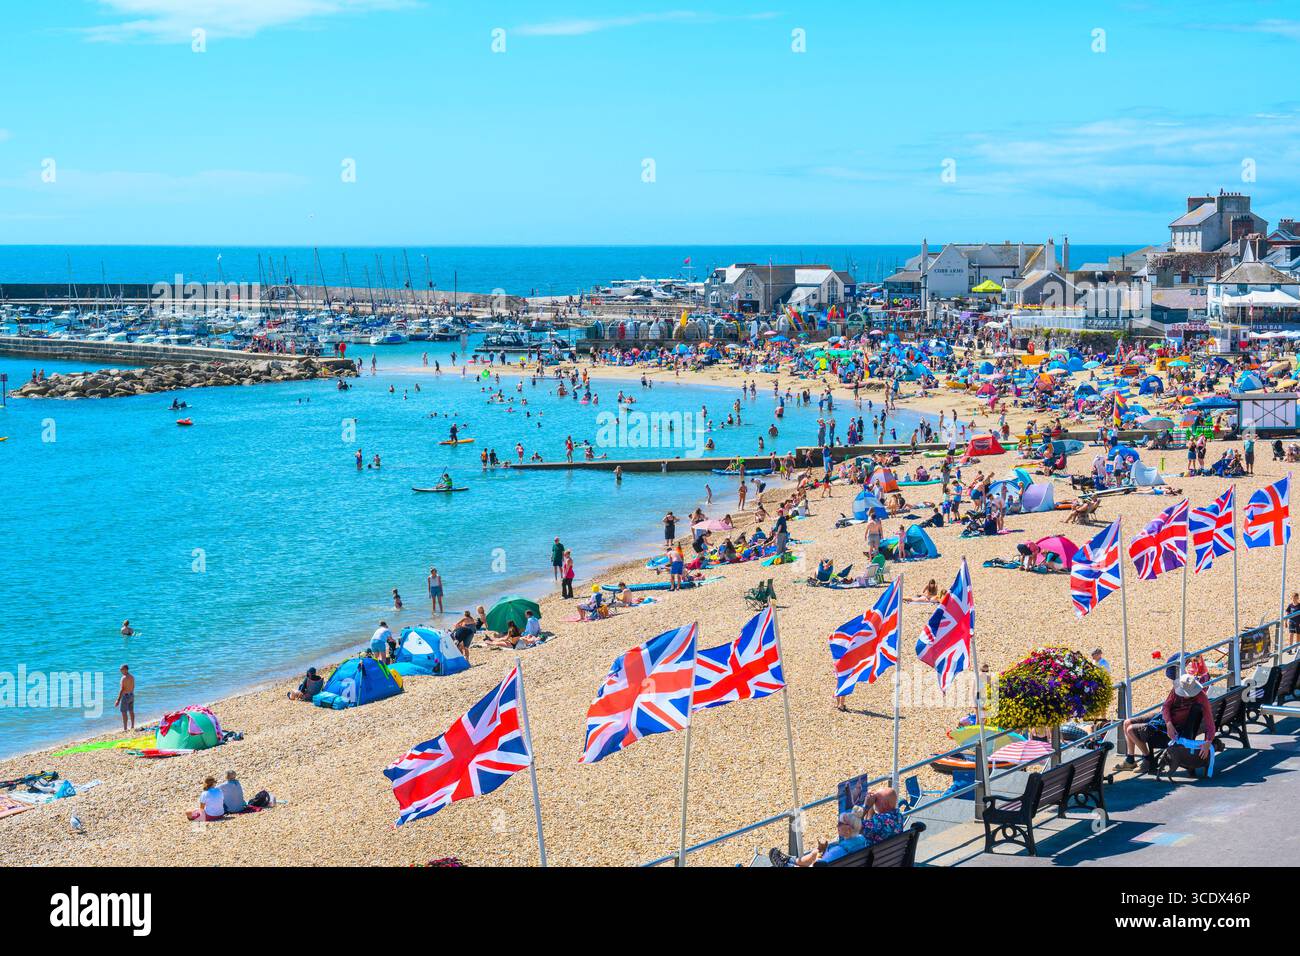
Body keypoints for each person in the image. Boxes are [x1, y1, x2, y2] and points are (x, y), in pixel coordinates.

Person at [114, 664, 135, 731]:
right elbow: (133, 686)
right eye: (120, 669)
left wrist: (118, 700)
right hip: (131, 695)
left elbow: (122, 689)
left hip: (125, 696)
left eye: (122, 669)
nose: (120, 670)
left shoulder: (124, 678)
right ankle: (132, 726)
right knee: (131, 711)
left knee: (124, 712)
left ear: (126, 669)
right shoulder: (132, 677)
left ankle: (125, 728)